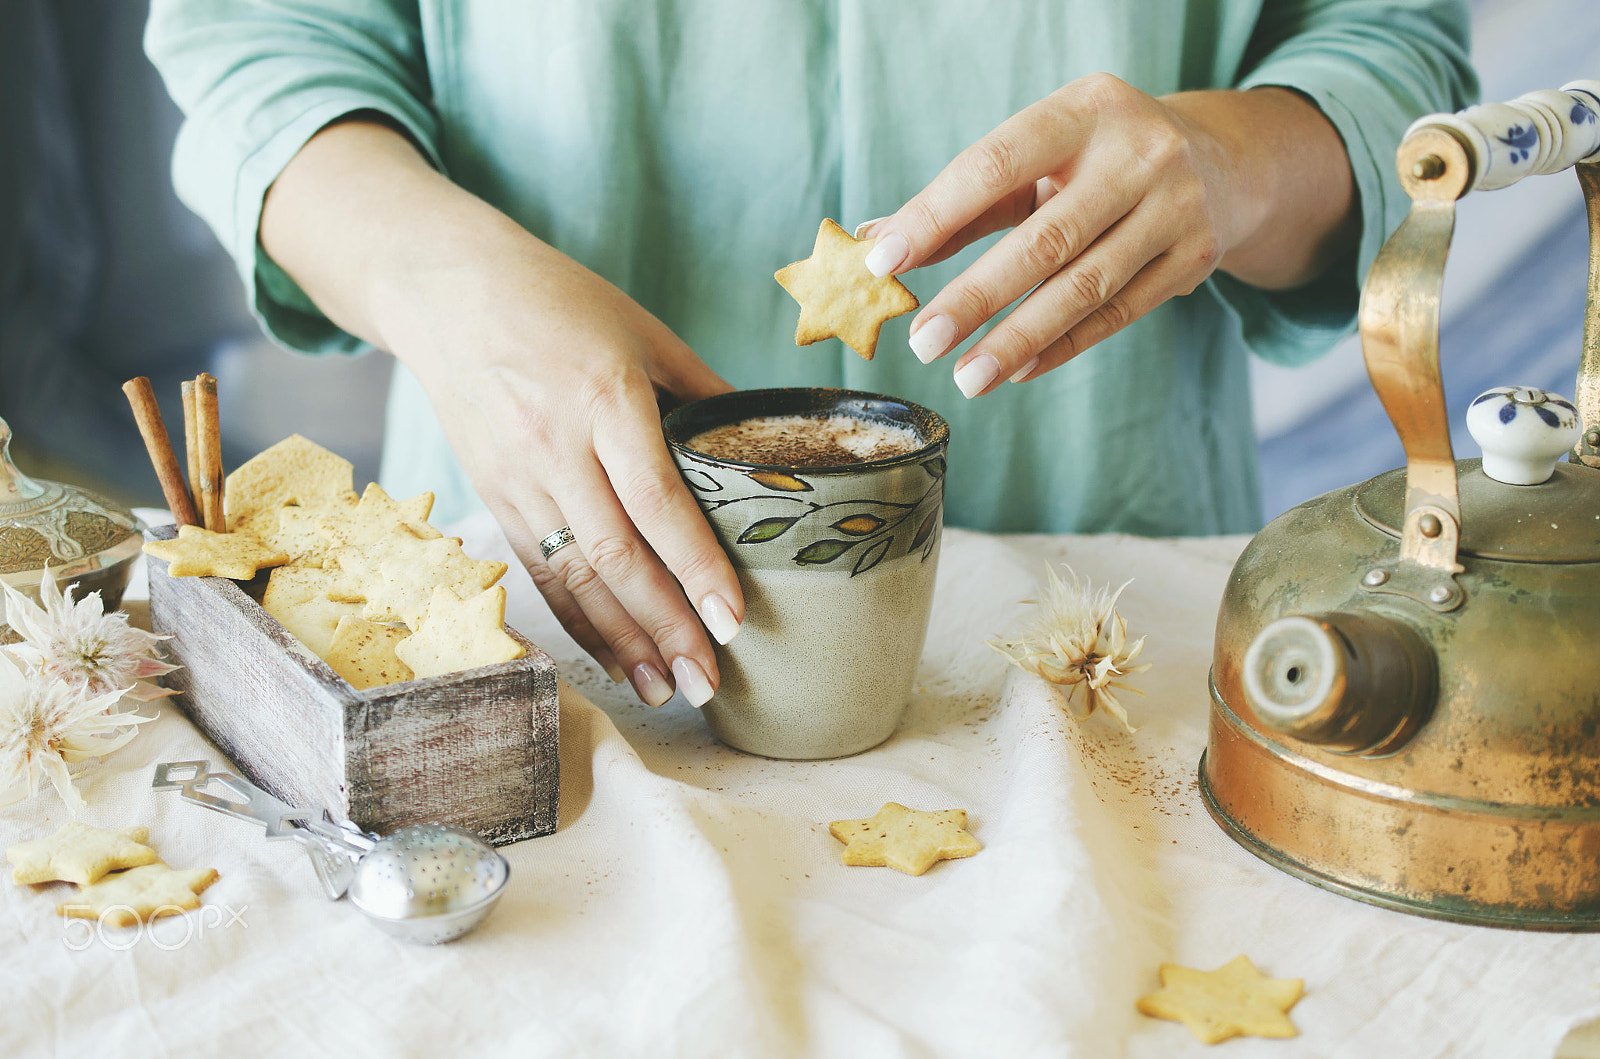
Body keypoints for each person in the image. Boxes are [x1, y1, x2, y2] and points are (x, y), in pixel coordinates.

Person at [145, 1, 1474, 710]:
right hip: (552, 610)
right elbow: (263, 42)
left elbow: (1393, 50)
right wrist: (443, 287)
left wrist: (1236, 160)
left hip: (1094, 632)